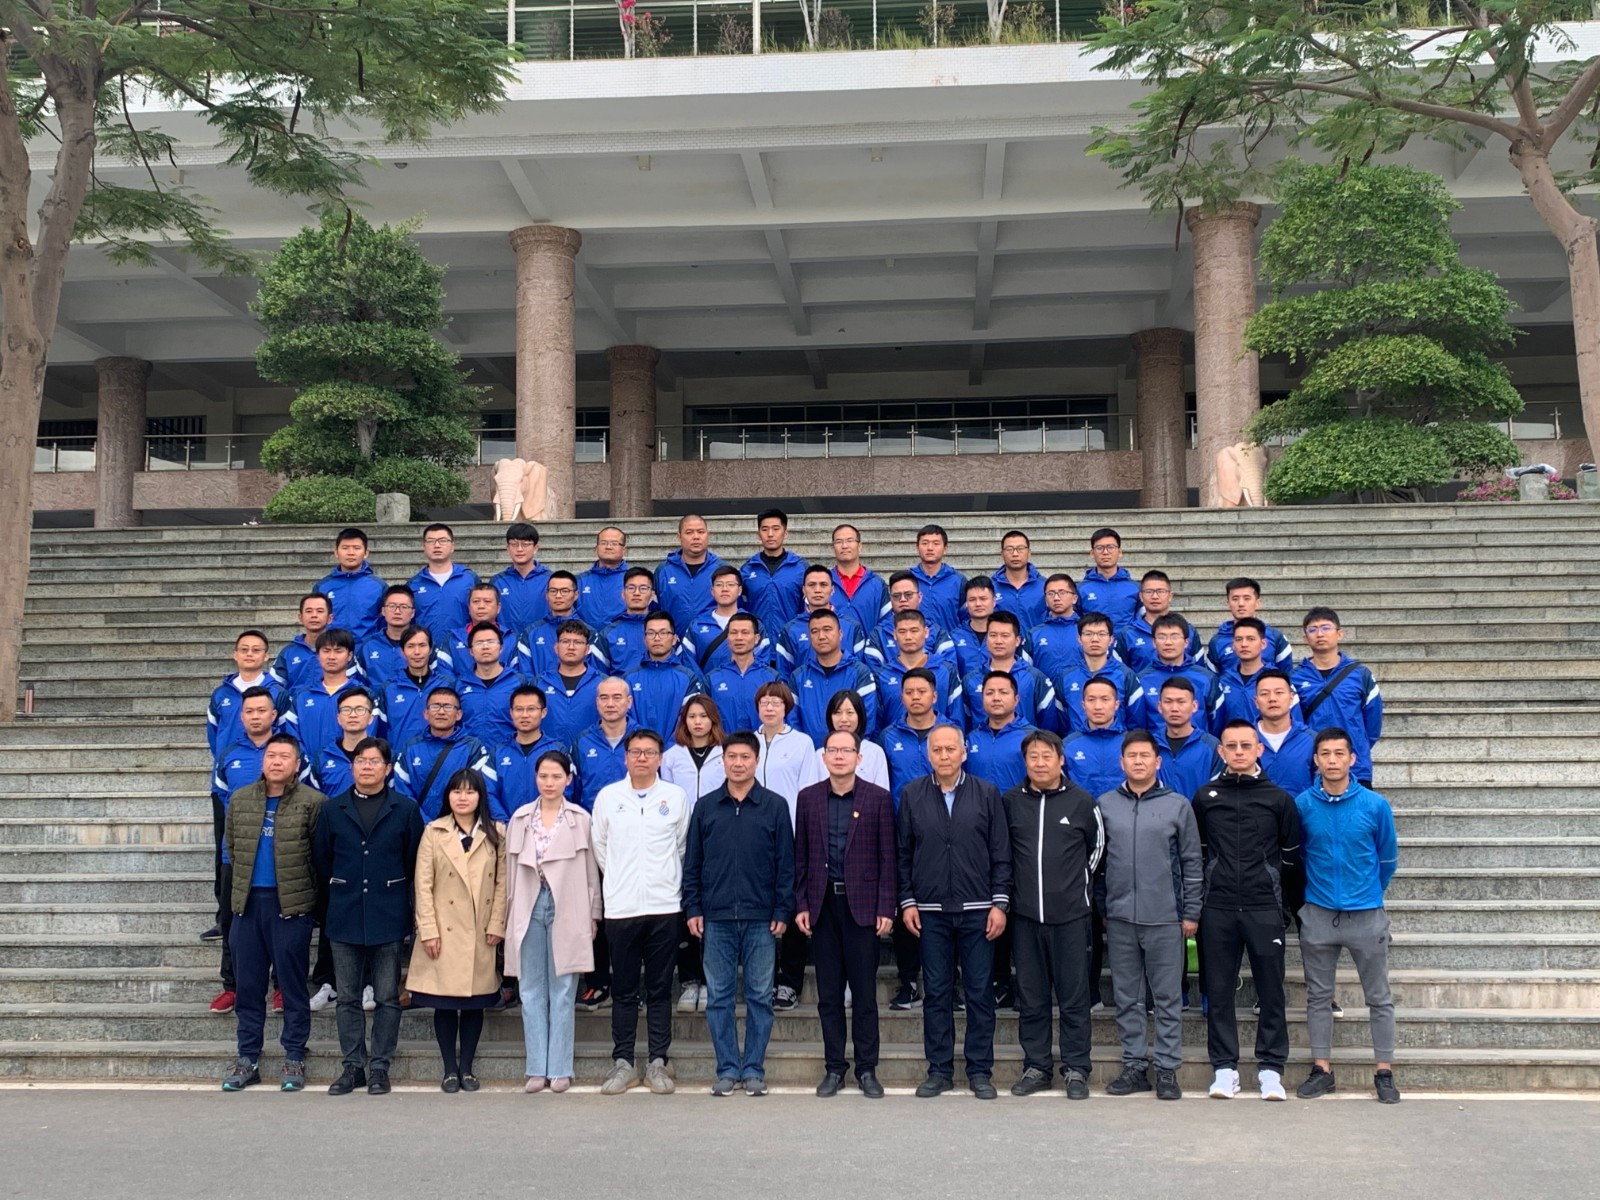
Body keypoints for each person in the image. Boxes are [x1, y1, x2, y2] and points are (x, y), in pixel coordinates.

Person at [897, 724, 1012, 1100]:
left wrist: (999, 903)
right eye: (937, 750)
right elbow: (903, 854)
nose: (944, 755)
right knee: (937, 994)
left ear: (964, 752)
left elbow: (1001, 853)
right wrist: (907, 901)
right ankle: (939, 1070)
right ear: (928, 754)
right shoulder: (912, 794)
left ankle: (980, 1071)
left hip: (978, 910)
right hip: (930, 912)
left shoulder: (987, 793)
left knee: (979, 993)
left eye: (951, 749)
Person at [1192, 720, 1302, 1102]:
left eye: (1245, 745)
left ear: (1259, 750)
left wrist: (1280, 904)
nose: (1239, 752)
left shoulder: (1279, 799)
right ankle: (1224, 1069)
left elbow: (1291, 859)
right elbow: (1198, 852)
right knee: (1218, 990)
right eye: (1231, 746)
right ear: (1221, 751)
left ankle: (1271, 1070)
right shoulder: (1205, 797)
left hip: (1263, 907)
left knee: (1271, 991)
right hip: (1218, 907)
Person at [310, 736, 424, 1097]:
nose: (367, 767)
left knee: (387, 996)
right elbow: (322, 859)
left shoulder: (405, 809)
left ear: (388, 768)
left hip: (388, 913)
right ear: (352, 766)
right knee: (347, 997)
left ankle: (379, 1067)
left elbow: (413, 860)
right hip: (343, 914)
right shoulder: (332, 809)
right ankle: (353, 1066)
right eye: (361, 761)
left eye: (375, 761)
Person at [684, 730, 795, 1096]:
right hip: (715, 916)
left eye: (745, 757)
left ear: (756, 761)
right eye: (731, 757)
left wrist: (783, 908)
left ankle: (754, 1069)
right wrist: (693, 906)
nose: (738, 763)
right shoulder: (705, 806)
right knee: (719, 997)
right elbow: (693, 862)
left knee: (760, 996)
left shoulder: (775, 806)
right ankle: (728, 1068)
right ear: (723, 761)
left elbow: (786, 863)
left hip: (762, 917)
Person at [1295, 728, 1401, 1104]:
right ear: (1316, 760)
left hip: (1366, 915)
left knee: (1379, 997)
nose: (1333, 760)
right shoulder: (1303, 805)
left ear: (1352, 759)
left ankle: (1384, 1072)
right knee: (1318, 997)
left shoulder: (1375, 805)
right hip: (1319, 913)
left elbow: (1387, 858)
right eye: (1325, 753)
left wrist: (1369, 893)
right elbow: (1299, 856)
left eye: (1340, 753)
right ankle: (1322, 1070)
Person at [1099, 729, 1202, 1101]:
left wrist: (1191, 912)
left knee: (1167, 997)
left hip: (1166, 918)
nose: (1138, 761)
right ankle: (1134, 1066)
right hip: (1121, 919)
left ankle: (1167, 1068)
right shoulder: (1105, 804)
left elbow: (1192, 861)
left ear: (1157, 762)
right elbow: (1096, 862)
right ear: (1122, 762)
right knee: (1127, 997)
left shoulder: (1178, 805)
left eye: (1145, 755)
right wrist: (1104, 907)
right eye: (1132, 756)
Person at [220, 734, 327, 1093]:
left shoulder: (313, 803)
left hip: (290, 908)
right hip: (248, 907)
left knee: (293, 988)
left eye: (284, 756)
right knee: (248, 988)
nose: (276, 762)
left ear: (297, 764)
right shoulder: (240, 800)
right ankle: (247, 1057)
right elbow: (233, 848)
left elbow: (319, 857)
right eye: (271, 755)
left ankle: (294, 1054)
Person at [793, 729, 895, 1099]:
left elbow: (888, 857)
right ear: (823, 757)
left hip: (863, 907)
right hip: (822, 907)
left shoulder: (878, 798)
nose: (839, 756)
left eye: (846, 750)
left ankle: (867, 1069)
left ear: (858, 757)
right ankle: (834, 1068)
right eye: (832, 750)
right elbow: (801, 857)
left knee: (865, 995)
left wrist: (886, 906)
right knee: (829, 995)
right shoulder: (808, 798)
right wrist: (801, 903)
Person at [1002, 730, 1104, 1099]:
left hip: (1071, 917)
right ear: (1025, 762)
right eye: (1033, 756)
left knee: (1074, 996)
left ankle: (1076, 1069)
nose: (1040, 763)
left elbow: (1097, 850)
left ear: (1061, 760)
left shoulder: (1082, 802)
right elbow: (1004, 853)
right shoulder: (1011, 802)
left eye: (1047, 756)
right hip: (1026, 917)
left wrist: (1077, 887)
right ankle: (1037, 1066)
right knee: (1032, 997)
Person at [592, 729, 692, 1095]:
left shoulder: (675, 797)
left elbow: (681, 847)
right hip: (621, 908)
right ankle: (623, 1061)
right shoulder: (609, 797)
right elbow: (600, 848)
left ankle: (657, 1062)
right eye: (635, 752)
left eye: (649, 752)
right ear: (626, 757)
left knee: (660, 989)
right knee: (624, 989)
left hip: (665, 907)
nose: (642, 758)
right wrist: (622, 881)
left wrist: (662, 880)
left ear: (660, 758)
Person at [504, 750, 601, 1094]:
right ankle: (536, 1068)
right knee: (530, 989)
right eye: (543, 776)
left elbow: (591, 872)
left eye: (556, 776)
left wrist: (593, 913)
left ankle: (560, 1067)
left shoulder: (580, 819)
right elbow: (509, 873)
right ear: (536, 778)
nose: (549, 782)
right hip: (528, 906)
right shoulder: (520, 818)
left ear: (568, 780)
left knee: (563, 990)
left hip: (567, 906)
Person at [407, 768, 508, 1093]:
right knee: (446, 1003)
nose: (463, 798)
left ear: (481, 797)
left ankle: (467, 1068)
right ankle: (449, 1069)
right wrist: (428, 930)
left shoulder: (496, 833)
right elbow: (422, 885)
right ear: (448, 796)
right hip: (443, 930)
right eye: (457, 791)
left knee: (475, 1002)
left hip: (480, 929)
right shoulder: (434, 832)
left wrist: (497, 923)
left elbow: (503, 883)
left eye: (470, 791)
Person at [209, 685, 281, 1013]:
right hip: (236, 855)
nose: (255, 717)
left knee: (281, 923)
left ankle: (281, 986)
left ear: (273, 714)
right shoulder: (229, 755)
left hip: (279, 854)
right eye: (249, 711)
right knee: (232, 921)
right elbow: (223, 804)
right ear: (241, 717)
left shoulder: (286, 752)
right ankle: (232, 985)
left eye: (261, 710)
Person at [876, 669, 939, 1012]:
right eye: (909, 692)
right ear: (901, 697)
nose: (915, 697)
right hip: (900, 829)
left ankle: (948, 984)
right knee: (906, 904)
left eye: (922, 691)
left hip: (943, 829)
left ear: (934, 696)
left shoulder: (950, 733)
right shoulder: (888, 736)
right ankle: (909, 981)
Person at [660, 695, 725, 1012]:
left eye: (703, 716)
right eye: (691, 716)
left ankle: (713, 980)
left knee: (713, 911)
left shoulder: (725, 753)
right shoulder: (672, 756)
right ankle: (689, 980)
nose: (697, 722)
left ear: (713, 720)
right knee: (685, 909)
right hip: (681, 841)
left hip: (718, 840)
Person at [1292, 607, 1384, 786]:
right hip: (1312, 767)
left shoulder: (1361, 674)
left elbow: (1373, 725)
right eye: (1313, 629)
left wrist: (1355, 747)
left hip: (1355, 767)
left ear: (1339, 634)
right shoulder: (1295, 677)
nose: (1320, 634)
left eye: (1326, 628)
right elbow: (1293, 721)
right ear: (1305, 638)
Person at [393, 686, 490, 821]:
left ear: (458, 714)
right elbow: (403, 791)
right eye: (435, 706)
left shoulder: (473, 748)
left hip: (458, 826)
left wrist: (449, 825)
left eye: (448, 707)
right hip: (417, 826)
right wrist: (425, 823)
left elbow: (477, 790)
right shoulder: (410, 748)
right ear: (426, 713)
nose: (441, 712)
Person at [789, 609, 878, 746]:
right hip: (810, 755)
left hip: (850, 754)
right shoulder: (798, 676)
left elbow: (867, 719)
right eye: (814, 631)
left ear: (840, 634)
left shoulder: (860, 673)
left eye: (827, 629)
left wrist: (849, 750)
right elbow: (792, 720)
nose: (821, 636)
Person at [962, 611, 1058, 734]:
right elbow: (965, 722)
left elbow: (1048, 724)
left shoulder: (1035, 678)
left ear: (1017, 640)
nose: (998, 641)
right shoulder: (970, 680)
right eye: (993, 635)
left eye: (1005, 635)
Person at [284, 629, 366, 766]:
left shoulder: (363, 695)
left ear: (350, 656)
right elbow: (292, 737)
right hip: (308, 771)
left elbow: (368, 735)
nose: (331, 657)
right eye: (326, 651)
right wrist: (307, 767)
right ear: (318, 655)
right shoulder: (302, 697)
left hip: (349, 770)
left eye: (338, 651)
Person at [486, 685, 563, 822]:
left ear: (543, 712)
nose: (524, 715)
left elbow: (566, 790)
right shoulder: (498, 753)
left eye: (531, 709)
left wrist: (546, 825)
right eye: (519, 709)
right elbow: (489, 793)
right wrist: (506, 824)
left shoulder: (557, 750)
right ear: (511, 713)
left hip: (548, 829)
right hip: (506, 829)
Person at [375, 625, 455, 756]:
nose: (417, 652)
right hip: (401, 760)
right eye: (410, 646)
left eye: (422, 645)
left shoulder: (446, 685)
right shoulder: (389, 689)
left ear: (430, 650)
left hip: (439, 759)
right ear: (402, 651)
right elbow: (381, 732)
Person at [624, 612, 707, 738]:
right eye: (651, 633)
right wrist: (642, 744)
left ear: (674, 639)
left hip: (676, 748)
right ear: (645, 640)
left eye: (663, 633)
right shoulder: (629, 679)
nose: (657, 638)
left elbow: (690, 719)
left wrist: (671, 747)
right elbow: (624, 718)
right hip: (637, 748)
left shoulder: (688, 678)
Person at [875, 610, 963, 728]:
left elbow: (957, 717)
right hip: (897, 739)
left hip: (939, 738)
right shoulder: (882, 675)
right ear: (894, 635)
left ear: (926, 632)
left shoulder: (946, 671)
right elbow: (877, 723)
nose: (908, 637)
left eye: (914, 631)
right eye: (902, 632)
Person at [777, 564, 871, 673]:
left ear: (832, 589)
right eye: (812, 585)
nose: (817, 590)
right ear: (804, 590)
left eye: (823, 585)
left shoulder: (852, 627)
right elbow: (784, 674)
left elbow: (861, 670)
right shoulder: (790, 630)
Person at [1131, 614, 1216, 732]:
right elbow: (1136, 724)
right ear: (1154, 642)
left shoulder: (1206, 678)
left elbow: (1216, 722)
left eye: (1174, 637)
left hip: (1197, 742)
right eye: (1162, 637)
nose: (1168, 642)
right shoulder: (1141, 680)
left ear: (1186, 642)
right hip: (1155, 743)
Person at [1056, 613, 1139, 733]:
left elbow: (1136, 720)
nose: (1095, 639)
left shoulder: (1126, 676)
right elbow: (1060, 722)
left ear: (1111, 639)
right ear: (1079, 639)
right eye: (1088, 634)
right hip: (1078, 743)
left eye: (1101, 634)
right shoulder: (1066, 677)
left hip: (1118, 742)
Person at [309, 686, 379, 822]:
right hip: (333, 827)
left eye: (360, 709)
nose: (353, 715)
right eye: (346, 710)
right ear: (338, 718)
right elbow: (315, 802)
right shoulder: (323, 757)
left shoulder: (383, 755)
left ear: (371, 718)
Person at [535, 619, 609, 747]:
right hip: (547, 754)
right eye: (565, 641)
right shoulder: (539, 683)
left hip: (589, 753)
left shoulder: (603, 683)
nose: (571, 647)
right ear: (556, 647)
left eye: (578, 642)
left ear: (587, 649)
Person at [457, 623, 530, 750]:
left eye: (490, 642)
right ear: (471, 651)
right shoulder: (460, 684)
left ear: (501, 648)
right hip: (470, 755)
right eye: (479, 643)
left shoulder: (518, 681)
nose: (485, 647)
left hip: (508, 753)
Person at [705, 612, 780, 733]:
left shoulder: (771, 677)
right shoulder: (712, 678)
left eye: (745, 632)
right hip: (723, 744)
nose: (739, 638)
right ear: (727, 638)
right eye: (733, 633)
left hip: (762, 744)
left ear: (757, 638)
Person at [964, 671, 1036, 798]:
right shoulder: (971, 739)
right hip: (979, 808)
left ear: (1016, 700)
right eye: (989, 693)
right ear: (982, 699)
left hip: (1018, 807)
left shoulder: (1033, 737)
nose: (996, 698)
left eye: (1003, 692)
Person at [740, 507, 808, 639]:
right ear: (758, 534)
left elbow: (807, 608)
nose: (770, 534)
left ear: (785, 533)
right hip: (757, 644)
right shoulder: (747, 569)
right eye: (765, 529)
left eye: (776, 529)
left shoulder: (800, 568)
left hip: (790, 641)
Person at [1151, 677, 1224, 799]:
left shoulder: (1211, 746)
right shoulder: (1150, 744)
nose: (1174, 708)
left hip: (1199, 811)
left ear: (1194, 706)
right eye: (1168, 702)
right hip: (1157, 811)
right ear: (1159, 706)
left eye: (1181, 702)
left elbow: (1219, 791)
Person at [572, 677, 637, 813]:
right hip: (592, 819)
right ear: (597, 703)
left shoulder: (643, 738)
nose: (610, 704)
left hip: (634, 819)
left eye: (617, 698)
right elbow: (575, 787)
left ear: (629, 702)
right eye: (604, 698)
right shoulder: (583, 741)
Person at [1116, 570, 1200, 673]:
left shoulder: (1188, 631)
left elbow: (1199, 669)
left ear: (1170, 596)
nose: (1155, 596)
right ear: (1141, 596)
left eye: (1161, 591)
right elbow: (1121, 673)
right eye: (1149, 592)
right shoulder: (1128, 633)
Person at [408, 523, 478, 645]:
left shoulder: (469, 579)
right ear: (424, 547)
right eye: (431, 541)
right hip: (425, 650)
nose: (437, 545)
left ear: (452, 546)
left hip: (462, 648)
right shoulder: (414, 584)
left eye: (443, 540)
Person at [1205, 577, 1293, 673]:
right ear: (1228, 604)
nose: (1241, 604)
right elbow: (1212, 678)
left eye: (1247, 598)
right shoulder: (1217, 641)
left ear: (1257, 603)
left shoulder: (1275, 637)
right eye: (1235, 599)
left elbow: (1286, 675)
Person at [315, 527, 387, 643]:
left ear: (366, 553)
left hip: (367, 649)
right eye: (345, 548)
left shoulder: (379, 586)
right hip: (332, 648)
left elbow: (386, 622)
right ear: (336, 552)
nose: (351, 553)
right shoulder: (322, 586)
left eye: (356, 548)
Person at [655, 514, 725, 633]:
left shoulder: (722, 570)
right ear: (679, 537)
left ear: (708, 535)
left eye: (701, 532)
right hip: (673, 641)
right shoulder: (664, 571)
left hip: (711, 640)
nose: (696, 537)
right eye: (689, 532)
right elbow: (655, 610)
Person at [1063, 678, 1128, 799]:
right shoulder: (1067, 745)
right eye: (1091, 700)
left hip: (1123, 809)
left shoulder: (1130, 743)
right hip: (1080, 809)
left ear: (1116, 705)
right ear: (1083, 705)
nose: (1098, 706)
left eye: (1105, 699)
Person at [869, 572, 955, 665]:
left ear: (919, 597)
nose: (903, 599)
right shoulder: (879, 634)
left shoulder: (937, 632)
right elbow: (874, 669)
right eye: (896, 596)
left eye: (908, 594)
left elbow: (948, 668)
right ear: (890, 599)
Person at [1254, 669, 1317, 796]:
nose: (1272, 699)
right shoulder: (1245, 740)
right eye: (1264, 694)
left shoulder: (1311, 740)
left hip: (1299, 808)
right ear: (1256, 702)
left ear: (1291, 698)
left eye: (1279, 692)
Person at [813, 688, 889, 791]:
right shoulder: (820, 755)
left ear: (860, 716)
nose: (844, 719)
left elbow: (882, 794)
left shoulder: (875, 753)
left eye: (850, 712)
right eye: (837, 713)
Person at [686, 564, 758, 673]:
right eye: (719, 585)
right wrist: (706, 682)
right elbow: (688, 662)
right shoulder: (697, 625)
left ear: (739, 590)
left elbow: (761, 660)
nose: (725, 589)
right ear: (712, 591)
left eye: (730, 584)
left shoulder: (754, 623)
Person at [1209, 616, 1274, 733]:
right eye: (1238, 639)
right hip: (1231, 743)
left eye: (1250, 639)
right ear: (1233, 645)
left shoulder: (1277, 680)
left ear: (1263, 644)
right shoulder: (1222, 681)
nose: (1244, 644)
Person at [439, 582, 521, 677]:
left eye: (487, 601)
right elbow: (445, 676)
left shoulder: (511, 639)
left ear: (498, 608)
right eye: (476, 601)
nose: (481, 606)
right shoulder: (452, 639)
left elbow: (516, 676)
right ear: (469, 608)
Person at [593, 567, 658, 675]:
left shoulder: (663, 630)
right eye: (631, 588)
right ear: (623, 594)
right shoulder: (608, 633)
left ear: (652, 595)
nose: (636, 593)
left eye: (643, 588)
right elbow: (597, 673)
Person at [520, 571, 584, 678]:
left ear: (576, 595)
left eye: (564, 591)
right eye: (553, 591)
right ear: (547, 595)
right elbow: (525, 674)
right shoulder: (531, 633)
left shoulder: (588, 632)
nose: (558, 596)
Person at [828, 523, 889, 633]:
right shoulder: (823, 583)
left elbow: (887, 623)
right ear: (833, 548)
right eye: (839, 542)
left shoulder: (877, 584)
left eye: (849, 540)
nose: (844, 546)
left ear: (860, 546)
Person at [906, 523, 967, 633]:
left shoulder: (958, 581)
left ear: (945, 549)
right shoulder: (906, 579)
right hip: (914, 641)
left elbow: (967, 618)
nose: (930, 548)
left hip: (949, 641)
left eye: (936, 543)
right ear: (917, 548)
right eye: (925, 543)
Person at [492, 522, 552, 634]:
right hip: (506, 641)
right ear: (507, 548)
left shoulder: (550, 580)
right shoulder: (497, 582)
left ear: (535, 548)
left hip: (540, 641)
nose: (519, 549)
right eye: (514, 544)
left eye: (525, 544)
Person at [271, 593, 335, 692]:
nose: (314, 615)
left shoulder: (340, 651)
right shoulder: (288, 653)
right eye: (309, 611)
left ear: (330, 618)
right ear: (300, 618)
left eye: (320, 611)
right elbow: (273, 686)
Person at [359, 586, 420, 689]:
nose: (397, 611)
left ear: (412, 613)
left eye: (404, 607)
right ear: (383, 611)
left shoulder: (422, 645)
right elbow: (358, 682)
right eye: (392, 606)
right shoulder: (369, 646)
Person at [1027, 574, 1084, 681]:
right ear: (1045, 600)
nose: (1056, 598)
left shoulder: (1087, 631)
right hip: (1044, 691)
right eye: (1051, 593)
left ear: (1074, 598)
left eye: (1062, 593)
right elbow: (1027, 672)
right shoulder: (1034, 634)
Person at [991, 530, 1046, 634]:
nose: (1015, 554)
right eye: (1009, 549)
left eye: (1020, 549)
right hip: (1001, 643)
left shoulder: (1045, 586)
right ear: (1002, 554)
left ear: (1029, 552)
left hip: (1036, 643)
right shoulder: (990, 587)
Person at [577, 526, 631, 630]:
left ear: (624, 549)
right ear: (596, 548)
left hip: (621, 636)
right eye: (603, 543)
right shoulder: (580, 581)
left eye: (614, 543)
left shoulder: (632, 580)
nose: (608, 547)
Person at [950, 576, 998, 678]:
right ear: (966, 604)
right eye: (972, 600)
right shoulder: (954, 637)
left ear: (994, 601)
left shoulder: (1004, 635)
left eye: (983, 599)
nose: (978, 604)